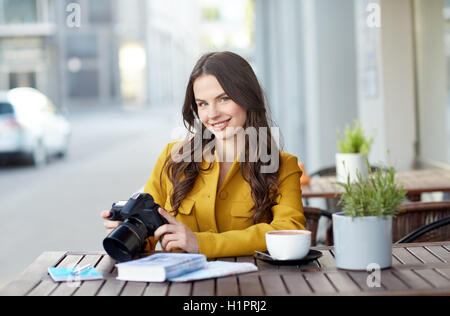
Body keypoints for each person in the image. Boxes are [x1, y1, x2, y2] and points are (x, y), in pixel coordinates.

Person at [101, 51, 306, 258]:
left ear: (247, 97)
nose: (212, 114)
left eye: (224, 98)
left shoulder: (282, 165)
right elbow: (149, 234)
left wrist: (200, 243)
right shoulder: (172, 158)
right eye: (203, 104)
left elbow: (289, 229)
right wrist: (129, 232)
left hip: (253, 285)